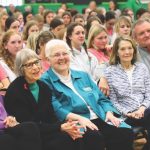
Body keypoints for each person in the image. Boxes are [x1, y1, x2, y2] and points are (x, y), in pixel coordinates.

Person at [41, 39, 134, 150]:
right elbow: (56, 109)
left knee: (124, 132)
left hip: (101, 116)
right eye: (56, 55)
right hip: (74, 121)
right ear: (48, 60)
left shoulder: (82, 75)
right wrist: (81, 119)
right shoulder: (45, 81)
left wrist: (109, 113)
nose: (62, 57)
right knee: (94, 138)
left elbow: (102, 98)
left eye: (65, 53)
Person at [4, 48, 92, 150]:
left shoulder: (43, 86)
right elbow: (26, 124)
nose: (36, 67)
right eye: (29, 65)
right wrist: (59, 127)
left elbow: (51, 116)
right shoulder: (15, 90)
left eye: (36, 62)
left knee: (76, 135)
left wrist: (65, 126)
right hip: (28, 135)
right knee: (62, 140)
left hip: (45, 130)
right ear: (21, 69)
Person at [104, 36, 150, 148]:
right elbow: (113, 101)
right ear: (117, 52)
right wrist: (128, 113)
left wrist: (142, 109)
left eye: (130, 48)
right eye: (123, 49)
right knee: (120, 135)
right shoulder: (110, 72)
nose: (127, 52)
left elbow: (148, 93)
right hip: (126, 115)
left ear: (134, 50)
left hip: (145, 111)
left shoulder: (142, 68)